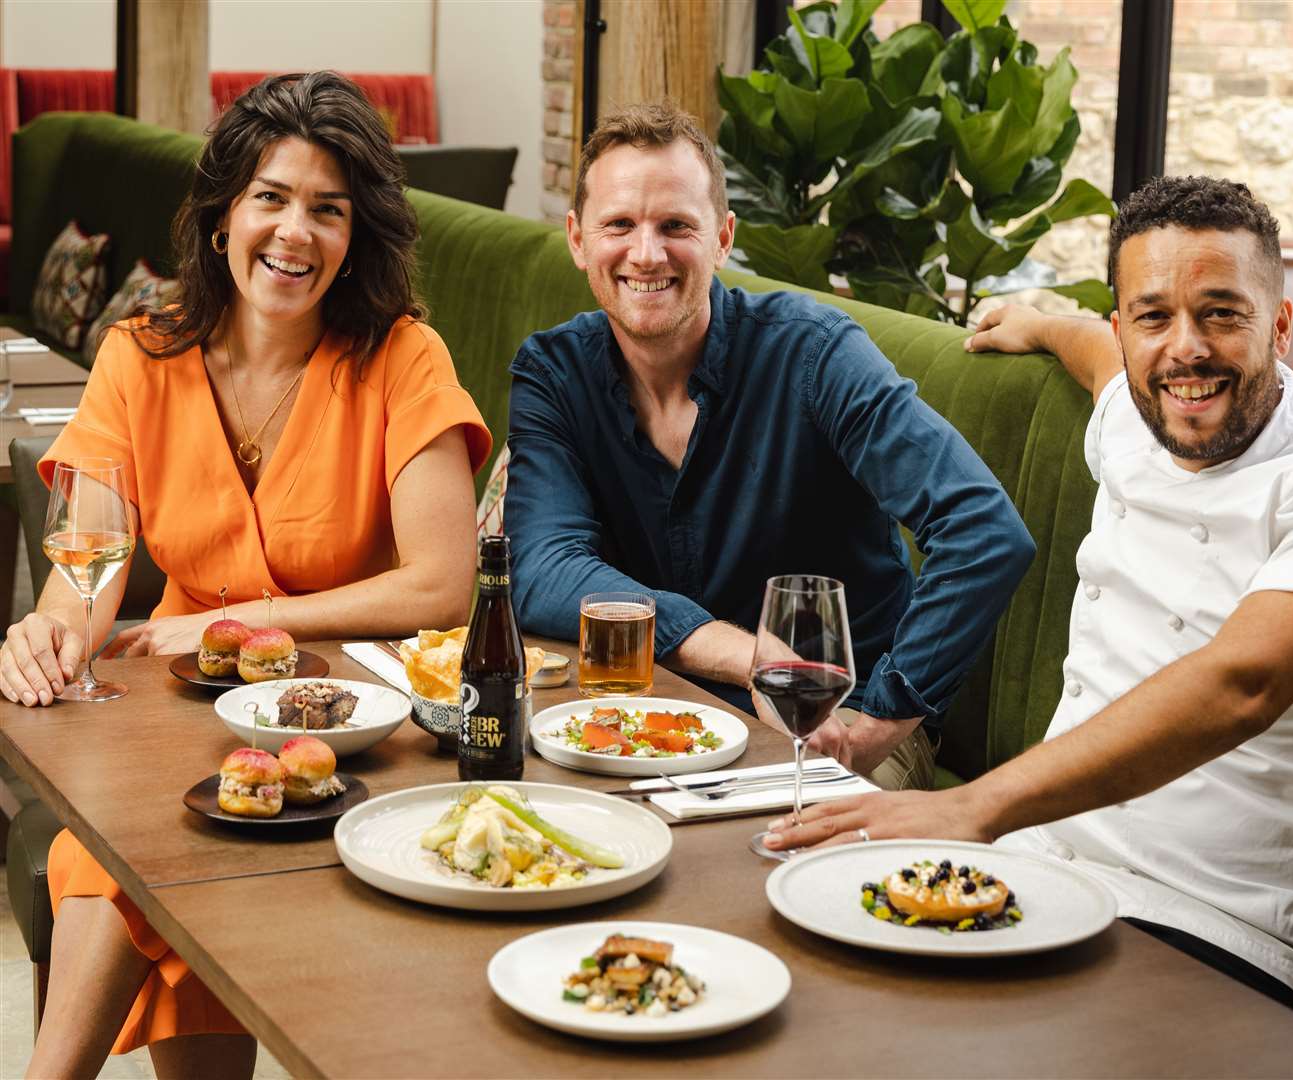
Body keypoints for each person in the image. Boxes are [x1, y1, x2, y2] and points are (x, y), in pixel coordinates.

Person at [766, 176, 1293, 1030]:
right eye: (1152, 316)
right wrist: (1041, 320)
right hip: (1044, 868)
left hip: (1232, 931)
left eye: (1222, 313)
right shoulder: (1136, 413)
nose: (1185, 349)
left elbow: (1242, 681)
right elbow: (1099, 357)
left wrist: (970, 804)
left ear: (1280, 328)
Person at [1, 72, 490, 1077]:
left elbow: (443, 586)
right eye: (271, 197)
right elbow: (87, 570)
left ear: (359, 235)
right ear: (224, 213)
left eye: (328, 209)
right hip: (174, 713)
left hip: (351, 721)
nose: (294, 234)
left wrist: (246, 621)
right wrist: (53, 630)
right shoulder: (141, 354)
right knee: (134, 837)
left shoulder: (403, 358)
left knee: (132, 850)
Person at [504, 103, 1035, 789]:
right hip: (657, 715)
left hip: (828, 724)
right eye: (618, 225)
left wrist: (882, 717)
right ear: (578, 240)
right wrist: (744, 654)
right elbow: (543, 565)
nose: (645, 253)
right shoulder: (553, 371)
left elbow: (984, 531)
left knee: (771, 872)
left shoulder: (815, 352)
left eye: (675, 226)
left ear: (722, 238)